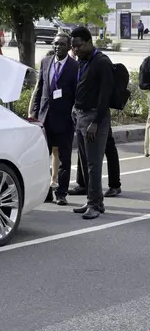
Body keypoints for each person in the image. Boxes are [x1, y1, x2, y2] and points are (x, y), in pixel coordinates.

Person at [69, 26, 114, 219]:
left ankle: (96, 204)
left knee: (94, 164)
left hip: (95, 118)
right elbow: (81, 88)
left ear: (89, 42)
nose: (75, 50)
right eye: (73, 47)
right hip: (80, 115)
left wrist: (95, 122)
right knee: (85, 162)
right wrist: (74, 107)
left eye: (78, 46)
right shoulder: (82, 61)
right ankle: (91, 201)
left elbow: (105, 95)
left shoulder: (102, 62)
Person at [30, 33, 78, 205]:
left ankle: (61, 193)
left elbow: (76, 95)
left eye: (62, 44)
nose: (58, 47)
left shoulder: (75, 67)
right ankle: (46, 193)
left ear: (69, 46)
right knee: (44, 157)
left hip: (65, 120)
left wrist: (74, 115)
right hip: (45, 118)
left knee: (65, 158)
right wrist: (34, 113)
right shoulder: (45, 62)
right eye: (56, 44)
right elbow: (40, 89)